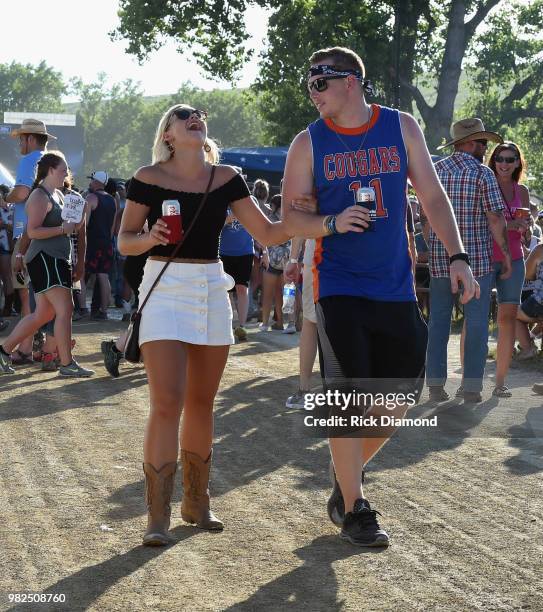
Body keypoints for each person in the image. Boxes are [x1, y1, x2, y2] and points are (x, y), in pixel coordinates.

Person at [282, 46, 477, 547]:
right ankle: (355, 507)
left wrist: (456, 257)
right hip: (338, 284)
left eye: (320, 81)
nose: (313, 91)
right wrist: (330, 221)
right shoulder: (308, 143)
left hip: (394, 284)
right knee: (347, 399)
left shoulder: (401, 126)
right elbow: (289, 220)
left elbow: (432, 196)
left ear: (351, 81)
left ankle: (343, 476)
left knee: (397, 399)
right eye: (309, 82)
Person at [117, 103, 315, 546]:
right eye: (183, 114)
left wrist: (307, 215)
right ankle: (157, 516)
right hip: (164, 285)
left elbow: (267, 234)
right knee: (167, 401)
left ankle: (197, 502)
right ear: (168, 133)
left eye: (199, 114)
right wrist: (148, 238)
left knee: (203, 404)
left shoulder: (227, 177)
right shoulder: (148, 177)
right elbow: (124, 241)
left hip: (210, 283)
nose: (195, 117)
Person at [425, 118, 510, 404]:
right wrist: (506, 254)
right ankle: (472, 388)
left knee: (437, 323)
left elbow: (426, 218)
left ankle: (435, 385)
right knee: (475, 325)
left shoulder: (435, 171)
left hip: (440, 260)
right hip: (477, 265)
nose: (486, 149)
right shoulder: (482, 174)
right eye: (484, 143)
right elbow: (496, 219)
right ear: (471, 144)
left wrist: (433, 244)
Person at [0, 152, 94, 377]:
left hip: (53, 259)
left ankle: (3, 351)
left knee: (41, 315)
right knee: (65, 309)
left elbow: (71, 227)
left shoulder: (58, 195)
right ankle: (66, 363)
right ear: (50, 170)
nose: (66, 174)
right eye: (63, 170)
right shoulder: (39, 196)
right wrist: (63, 229)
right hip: (46, 259)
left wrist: (78, 219)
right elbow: (32, 231)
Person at [4, 119, 52, 352]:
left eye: (21, 139)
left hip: (26, 235)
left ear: (31, 139)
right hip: (48, 235)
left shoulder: (28, 161)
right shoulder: (55, 161)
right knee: (43, 295)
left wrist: (6, 198)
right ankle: (39, 342)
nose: (19, 144)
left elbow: (22, 192)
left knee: (25, 297)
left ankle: (24, 347)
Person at [486, 142, 530, 396]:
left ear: (517, 163)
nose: (504, 163)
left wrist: (526, 228)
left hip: (514, 259)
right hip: (485, 257)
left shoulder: (521, 191)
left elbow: (522, 227)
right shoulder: (485, 184)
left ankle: (500, 383)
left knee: (506, 320)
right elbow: (485, 222)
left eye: (510, 159)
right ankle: (470, 382)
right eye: (500, 158)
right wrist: (512, 224)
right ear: (494, 160)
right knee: (476, 318)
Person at [284, 238, 318, 408]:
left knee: (311, 322)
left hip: (320, 255)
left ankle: (305, 390)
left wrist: (293, 260)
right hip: (361, 256)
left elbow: (301, 218)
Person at [259, 194, 293, 332]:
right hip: (288, 261)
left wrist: (265, 253)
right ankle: (289, 323)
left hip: (273, 262)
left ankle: (265, 323)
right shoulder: (290, 219)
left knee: (268, 295)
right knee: (287, 294)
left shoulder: (270, 220)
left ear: (274, 206)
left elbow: (263, 238)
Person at [85, 171, 116, 319]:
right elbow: (112, 227)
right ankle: (104, 311)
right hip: (107, 243)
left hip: (92, 243)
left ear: (97, 182)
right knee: (104, 276)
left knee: (81, 276)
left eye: (91, 181)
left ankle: (82, 309)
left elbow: (84, 224)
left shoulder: (91, 197)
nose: (90, 183)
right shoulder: (112, 199)